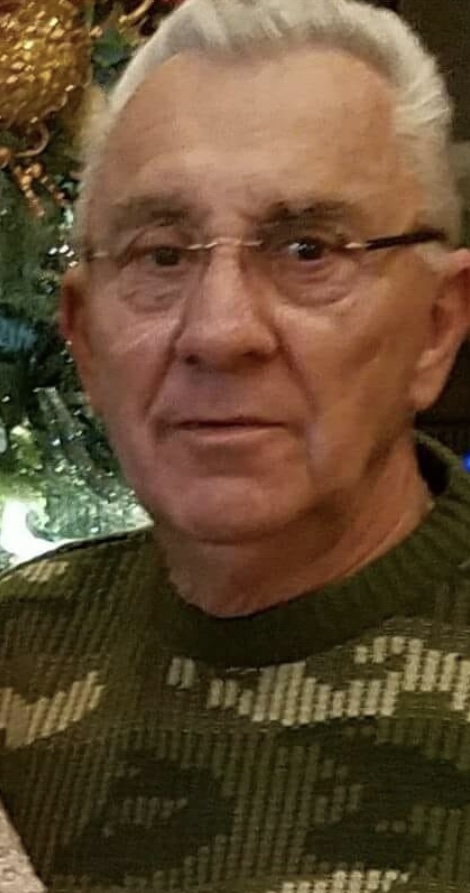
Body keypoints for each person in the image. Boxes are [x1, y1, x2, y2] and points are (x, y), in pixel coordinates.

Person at [2, 0, 470, 889]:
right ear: (84, 339)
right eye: (161, 255)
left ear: (437, 327)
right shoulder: (14, 657)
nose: (220, 330)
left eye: (307, 250)